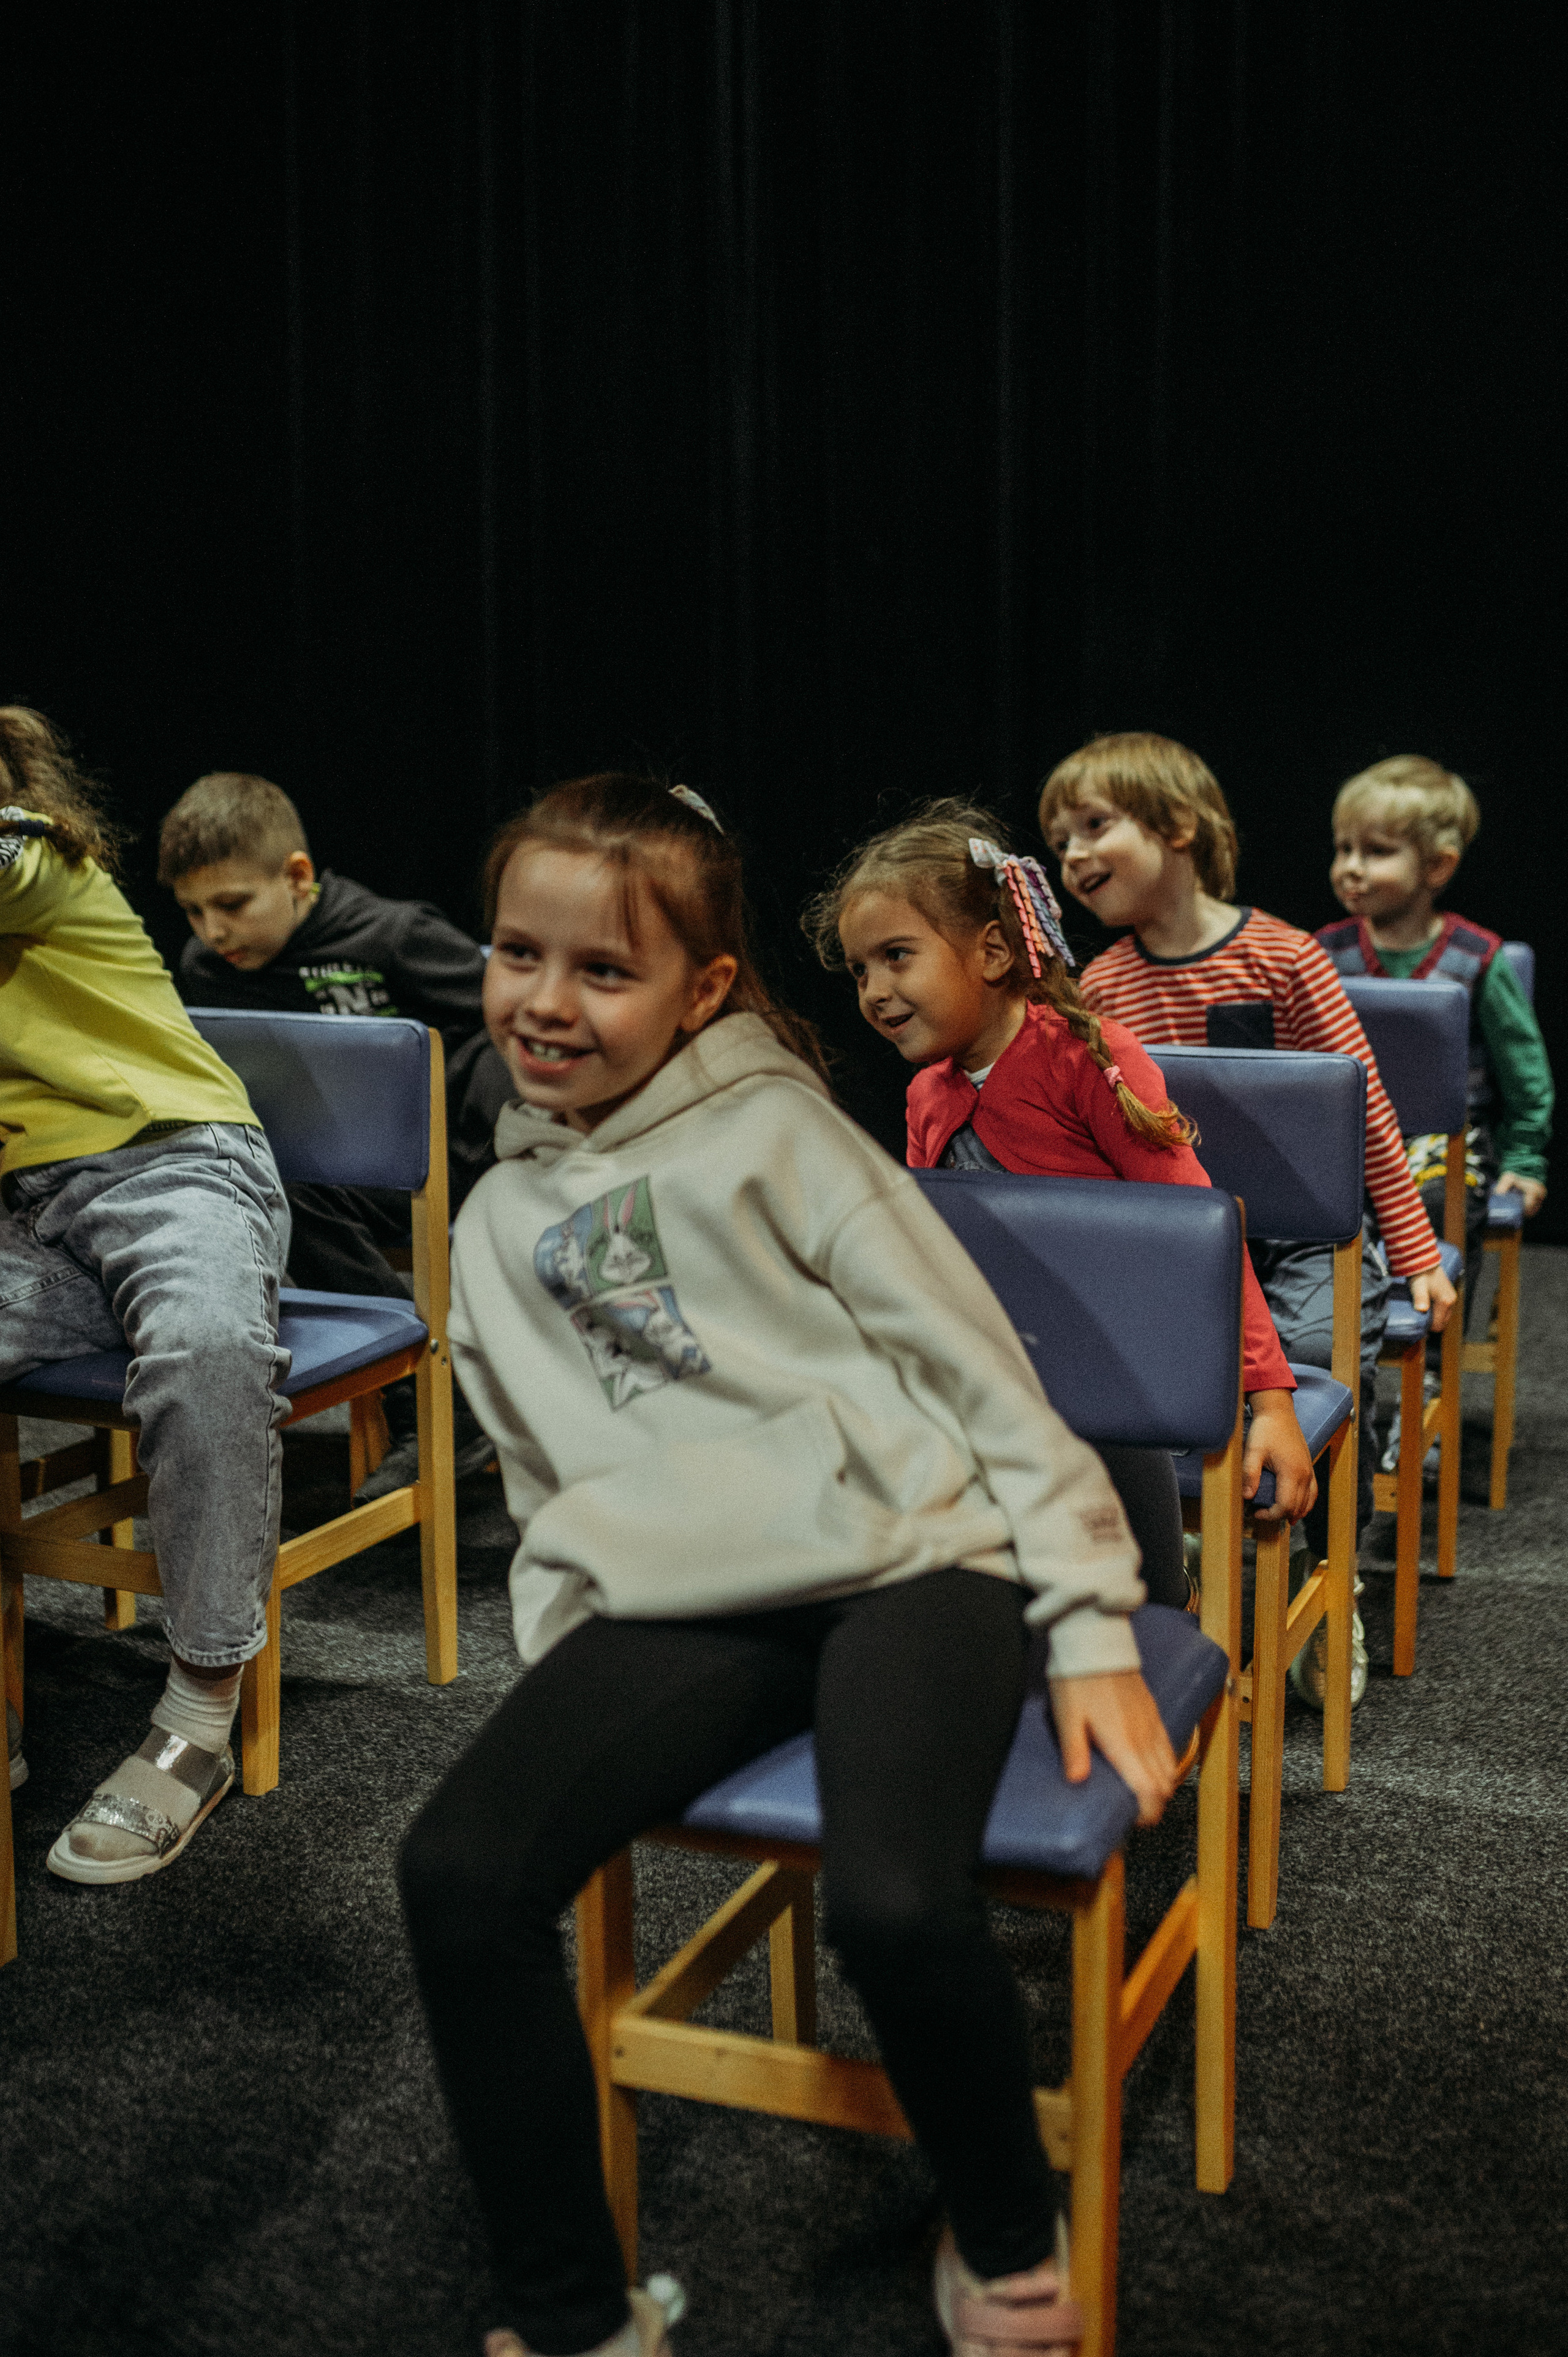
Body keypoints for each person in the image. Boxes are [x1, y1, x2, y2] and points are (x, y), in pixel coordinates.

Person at [400, 773, 1180, 2357]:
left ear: (705, 990)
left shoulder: (780, 1128)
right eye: (516, 952)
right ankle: (574, 2312)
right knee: (459, 1873)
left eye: (605, 970)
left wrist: (1092, 1611)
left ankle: (1008, 2225)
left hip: (921, 1549)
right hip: (696, 1590)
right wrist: (573, 1636)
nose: (546, 1002)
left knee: (894, 1902)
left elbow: (979, 1375)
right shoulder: (489, 1220)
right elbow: (544, 1463)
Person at [804, 797, 1316, 1611]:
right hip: (994, 1377)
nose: (874, 990)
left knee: (1132, 1585)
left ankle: (1154, 1594)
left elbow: (1203, 1238)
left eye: (897, 956)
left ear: (996, 950)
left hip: (1121, 1372)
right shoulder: (924, 1094)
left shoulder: (1092, 1058)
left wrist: (1271, 1399)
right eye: (861, 969)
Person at [1038, 732, 1458, 1707]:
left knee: (1309, 1348)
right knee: (1146, 1380)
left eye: (1095, 826)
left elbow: (1368, 1116)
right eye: (1060, 840)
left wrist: (1415, 1243)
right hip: (1177, 1246)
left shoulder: (1284, 957)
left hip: (1298, 1240)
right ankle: (1201, 1563)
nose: (1073, 855)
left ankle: (1325, 1580)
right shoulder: (1100, 986)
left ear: (1176, 826)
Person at [1, 707, 291, 1880]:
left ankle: (198, 1722)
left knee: (206, 1346)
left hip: (172, 1162)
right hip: (25, 1208)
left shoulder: (35, 849)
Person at [159, 770, 507, 1496]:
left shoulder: (391, 935)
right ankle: (435, 1402)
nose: (212, 931)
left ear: (297, 876)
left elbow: (506, 1018)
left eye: (231, 904)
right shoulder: (206, 969)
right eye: (192, 911)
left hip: (472, 1164)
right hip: (353, 1181)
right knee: (276, 1180)